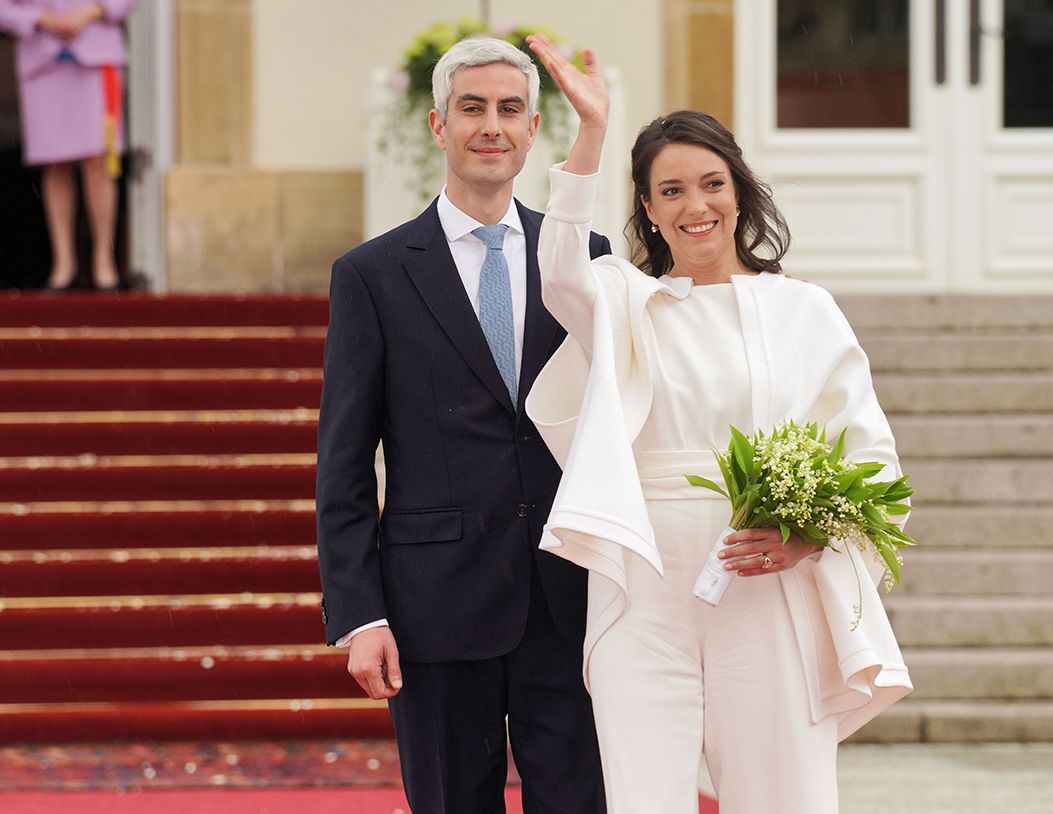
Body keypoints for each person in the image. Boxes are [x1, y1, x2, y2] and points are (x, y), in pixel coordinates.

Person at [524, 34, 912, 812]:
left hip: (765, 588)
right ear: (647, 206)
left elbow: (870, 458)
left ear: (739, 188)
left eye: (710, 183)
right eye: (670, 191)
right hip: (643, 587)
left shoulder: (805, 308)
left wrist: (809, 538)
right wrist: (591, 133)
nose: (695, 206)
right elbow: (558, 271)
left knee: (783, 793)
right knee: (643, 794)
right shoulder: (624, 299)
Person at [316, 36, 609, 814]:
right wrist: (360, 613)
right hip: (433, 610)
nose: (492, 126)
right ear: (438, 126)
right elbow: (343, 461)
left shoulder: (584, 257)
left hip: (569, 597)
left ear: (533, 127)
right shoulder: (372, 275)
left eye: (509, 109)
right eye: (472, 108)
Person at [0, 0, 134, 291]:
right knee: (55, 161)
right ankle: (64, 264)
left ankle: (104, 262)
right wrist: (41, 18)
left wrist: (92, 10)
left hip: (97, 57)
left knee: (99, 159)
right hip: (43, 60)